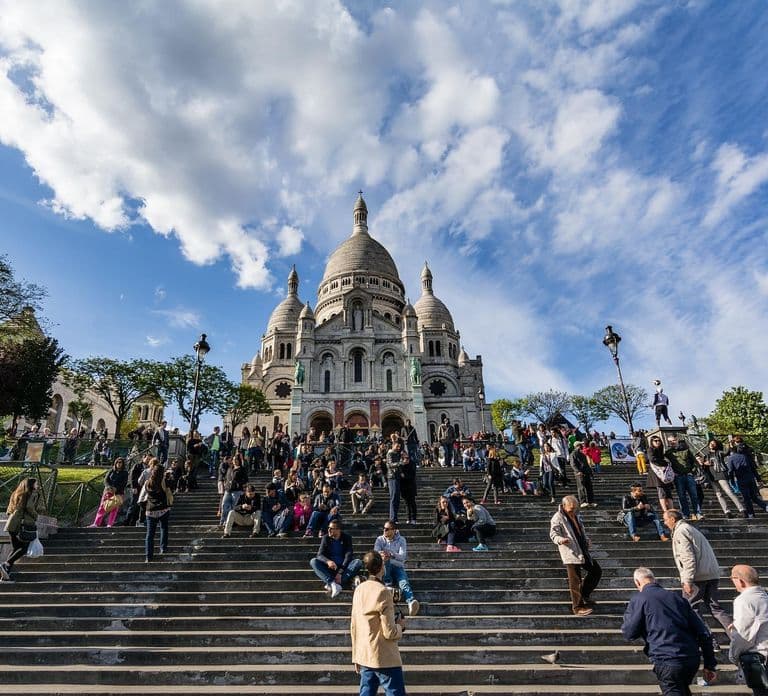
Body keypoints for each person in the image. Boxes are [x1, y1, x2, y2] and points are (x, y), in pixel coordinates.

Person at [621, 567, 717, 695]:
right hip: (690, 658)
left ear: (637, 583)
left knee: (673, 690)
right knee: (681, 689)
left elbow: (629, 632)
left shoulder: (639, 599)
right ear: (654, 580)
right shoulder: (678, 599)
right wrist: (709, 664)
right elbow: (703, 632)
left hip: (666, 658)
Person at [663, 509, 731, 634]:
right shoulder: (690, 529)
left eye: (666, 520)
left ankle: (707, 638)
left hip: (697, 576)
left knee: (690, 608)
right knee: (715, 608)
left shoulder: (681, 531)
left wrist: (687, 580)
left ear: (672, 519)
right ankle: (736, 636)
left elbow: (687, 557)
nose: (665, 523)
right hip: (711, 573)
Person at [350, 550, 407, 696]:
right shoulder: (383, 592)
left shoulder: (359, 589)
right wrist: (401, 625)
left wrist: (356, 656)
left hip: (365, 654)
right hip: (384, 656)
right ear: (382, 567)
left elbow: (354, 625)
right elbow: (389, 632)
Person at [549, 495, 602, 616]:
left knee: (596, 571)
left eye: (575, 508)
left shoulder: (577, 515)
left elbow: (581, 530)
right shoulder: (558, 517)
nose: (573, 511)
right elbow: (553, 534)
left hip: (582, 549)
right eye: (570, 509)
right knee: (575, 580)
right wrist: (560, 540)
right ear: (563, 506)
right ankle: (577, 607)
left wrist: (587, 539)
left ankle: (584, 594)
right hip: (570, 551)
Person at [726, 565, 768, 696]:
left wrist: (733, 656)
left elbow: (744, 635)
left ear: (740, 580)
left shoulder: (743, 600)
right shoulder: (764, 596)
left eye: (732, 578)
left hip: (760, 659)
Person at [1, 478, 47, 581]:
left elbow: (9, 510)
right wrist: (36, 516)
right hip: (23, 524)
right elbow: (29, 507)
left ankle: (5, 573)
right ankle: (6, 564)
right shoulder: (31, 494)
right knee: (24, 548)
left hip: (11, 524)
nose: (37, 485)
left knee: (15, 548)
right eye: (36, 484)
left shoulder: (16, 493)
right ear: (31, 485)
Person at [374, 521, 420, 616]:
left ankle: (411, 602)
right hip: (384, 568)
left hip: (398, 567)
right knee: (385, 560)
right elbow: (375, 553)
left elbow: (402, 556)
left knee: (403, 582)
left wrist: (391, 554)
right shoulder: (380, 539)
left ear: (394, 530)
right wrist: (383, 555)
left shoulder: (401, 540)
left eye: (387, 529)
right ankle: (388, 583)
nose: (384, 530)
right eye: (384, 528)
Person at [310, 520, 362, 599]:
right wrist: (328, 561)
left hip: (343, 569)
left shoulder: (346, 538)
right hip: (330, 568)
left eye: (331, 528)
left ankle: (336, 583)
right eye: (328, 528)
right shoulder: (326, 538)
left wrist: (340, 572)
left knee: (357, 562)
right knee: (313, 561)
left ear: (338, 530)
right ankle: (333, 583)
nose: (329, 530)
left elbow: (349, 555)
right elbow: (319, 555)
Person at [698, 440, 744, 518]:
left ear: (716, 445)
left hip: (721, 474)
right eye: (710, 443)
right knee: (719, 494)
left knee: (729, 492)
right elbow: (702, 466)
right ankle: (727, 512)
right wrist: (703, 463)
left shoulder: (719, 452)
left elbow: (727, 452)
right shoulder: (706, 455)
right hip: (711, 476)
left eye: (714, 443)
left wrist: (729, 445)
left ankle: (742, 509)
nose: (712, 444)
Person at [727, 440, 768, 519]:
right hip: (751, 479)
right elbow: (753, 469)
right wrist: (758, 479)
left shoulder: (731, 458)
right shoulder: (746, 456)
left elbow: (730, 471)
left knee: (746, 498)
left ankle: (751, 514)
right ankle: (765, 507)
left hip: (741, 480)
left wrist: (731, 481)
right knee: (754, 497)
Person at [667, 435, 702, 521]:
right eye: (670, 441)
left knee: (693, 495)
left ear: (677, 440)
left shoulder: (686, 450)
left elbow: (694, 462)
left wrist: (692, 472)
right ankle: (686, 514)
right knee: (681, 496)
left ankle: (698, 512)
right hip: (678, 476)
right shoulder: (668, 453)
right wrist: (672, 473)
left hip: (688, 475)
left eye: (674, 440)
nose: (672, 442)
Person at [143, 466, 173, 563]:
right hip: (163, 509)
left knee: (149, 535)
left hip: (150, 510)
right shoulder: (164, 482)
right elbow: (171, 487)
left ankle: (148, 556)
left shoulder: (148, 482)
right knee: (164, 528)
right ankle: (163, 548)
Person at [647, 435, 675, 512]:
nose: (658, 442)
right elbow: (652, 459)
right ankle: (666, 511)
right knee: (662, 492)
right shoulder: (650, 449)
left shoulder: (661, 450)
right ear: (652, 442)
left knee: (668, 492)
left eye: (659, 440)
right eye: (655, 441)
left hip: (664, 473)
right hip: (657, 473)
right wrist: (664, 463)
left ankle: (672, 510)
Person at [570, 441, 596, 508]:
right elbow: (573, 464)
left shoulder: (583, 454)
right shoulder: (573, 454)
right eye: (580, 445)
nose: (581, 446)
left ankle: (591, 502)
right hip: (579, 473)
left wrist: (591, 473)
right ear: (576, 446)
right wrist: (578, 471)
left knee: (589, 487)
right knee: (581, 488)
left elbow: (586, 464)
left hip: (586, 472)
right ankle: (583, 502)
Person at [386, 442, 403, 523]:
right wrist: (399, 463)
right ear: (393, 446)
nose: (398, 448)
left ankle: (395, 517)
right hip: (392, 477)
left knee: (397, 498)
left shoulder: (397, 454)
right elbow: (389, 464)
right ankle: (392, 518)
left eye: (399, 446)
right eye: (397, 446)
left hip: (397, 476)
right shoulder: (390, 453)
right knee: (393, 497)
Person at [399, 452, 418, 525]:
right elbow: (400, 474)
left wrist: (404, 476)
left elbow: (412, 475)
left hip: (411, 486)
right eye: (404, 458)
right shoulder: (400, 465)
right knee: (407, 504)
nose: (406, 459)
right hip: (404, 487)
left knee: (412, 503)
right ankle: (408, 518)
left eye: (407, 458)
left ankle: (414, 519)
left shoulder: (412, 464)